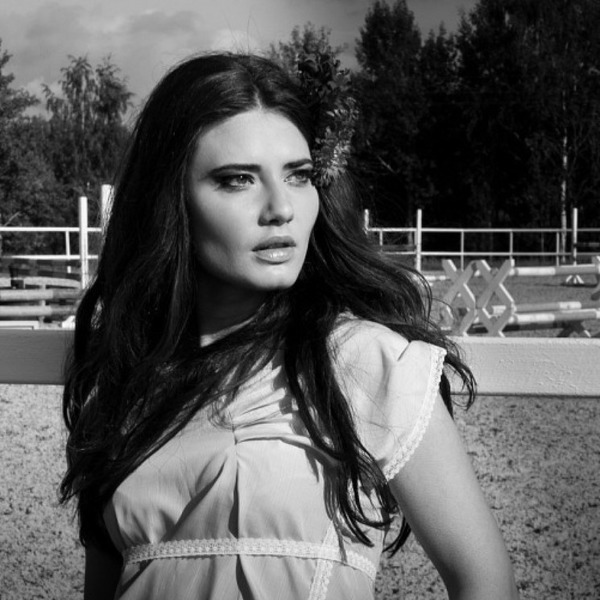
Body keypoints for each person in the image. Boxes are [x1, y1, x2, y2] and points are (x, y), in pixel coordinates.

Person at [60, 52, 518, 600]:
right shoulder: (123, 387)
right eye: (237, 180)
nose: (281, 208)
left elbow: (485, 582)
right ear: (169, 199)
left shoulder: (366, 362)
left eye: (299, 176)